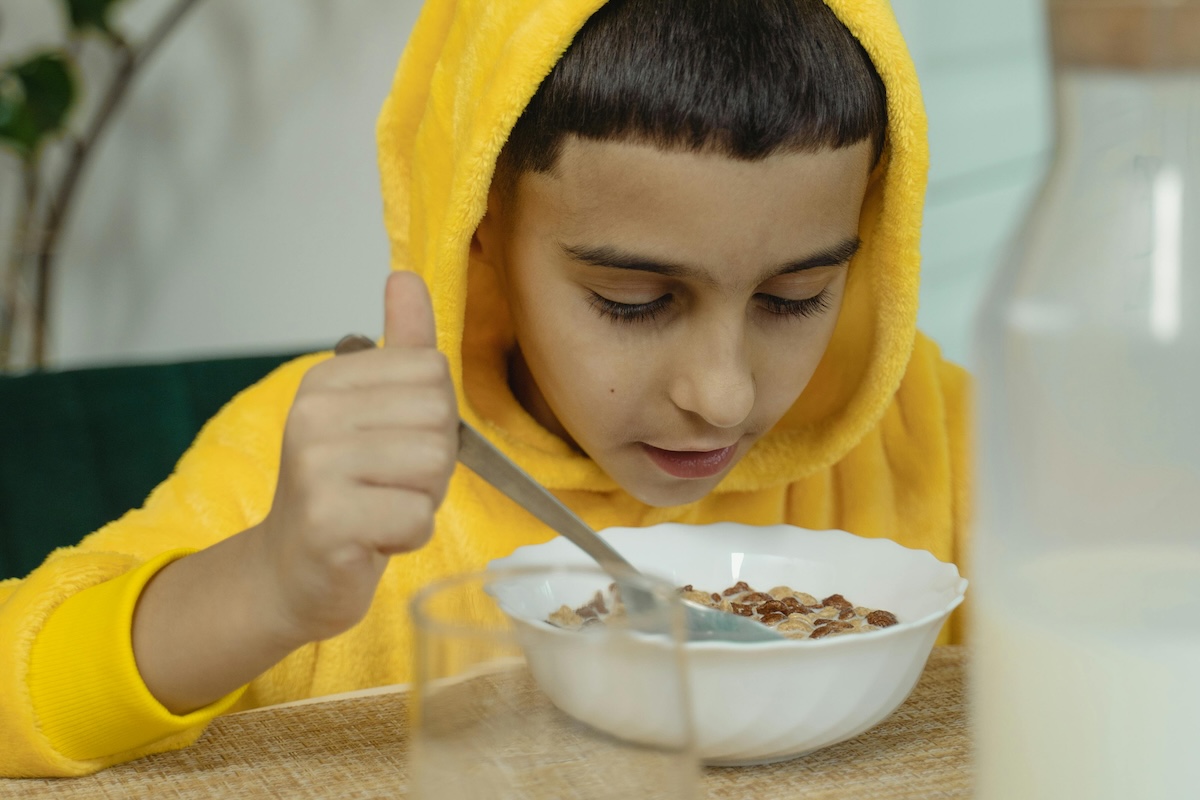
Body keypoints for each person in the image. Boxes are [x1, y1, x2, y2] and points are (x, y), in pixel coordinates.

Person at [0, 0, 969, 777]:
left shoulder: (927, 426)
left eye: (796, 296)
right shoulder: (324, 463)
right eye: (632, 300)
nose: (720, 393)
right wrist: (266, 583)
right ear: (480, 234)